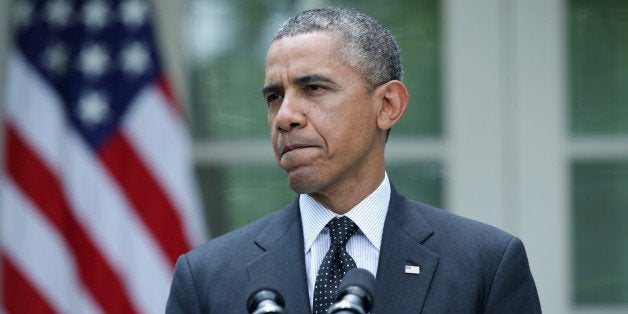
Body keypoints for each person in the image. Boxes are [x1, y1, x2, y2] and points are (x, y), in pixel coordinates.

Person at [166, 7, 541, 313]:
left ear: (387, 106)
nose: (284, 117)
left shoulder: (485, 265)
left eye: (313, 88)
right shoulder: (206, 277)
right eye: (274, 97)